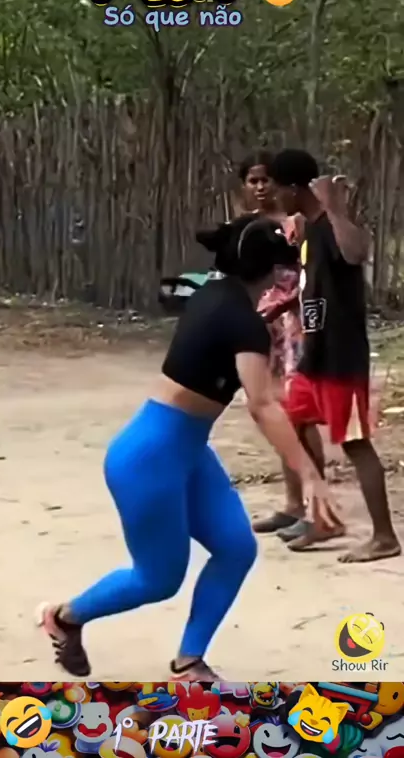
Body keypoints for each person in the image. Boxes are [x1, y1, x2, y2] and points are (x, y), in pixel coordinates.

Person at [36, 214, 341, 679]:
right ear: (272, 272)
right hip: (149, 458)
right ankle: (64, 617)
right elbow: (262, 404)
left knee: (236, 547)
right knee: (158, 578)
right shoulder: (243, 322)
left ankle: (189, 661)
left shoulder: (215, 295)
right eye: (285, 267)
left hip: (187, 451)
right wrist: (311, 477)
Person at [268, 148, 401, 562]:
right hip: (314, 353)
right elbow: (315, 286)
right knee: (294, 423)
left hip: (341, 355)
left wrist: (336, 207)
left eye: (277, 188)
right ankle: (322, 517)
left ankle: (384, 537)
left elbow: (357, 253)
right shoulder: (309, 229)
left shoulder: (331, 224)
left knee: (355, 443)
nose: (274, 196)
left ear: (294, 188)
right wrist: (285, 304)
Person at [236, 152, 330, 545]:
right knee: (275, 413)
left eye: (266, 180)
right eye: (253, 180)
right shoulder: (246, 226)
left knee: (299, 415)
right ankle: (294, 503)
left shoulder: (297, 223)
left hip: (294, 325)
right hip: (262, 327)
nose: (261, 187)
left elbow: (308, 278)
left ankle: (318, 507)